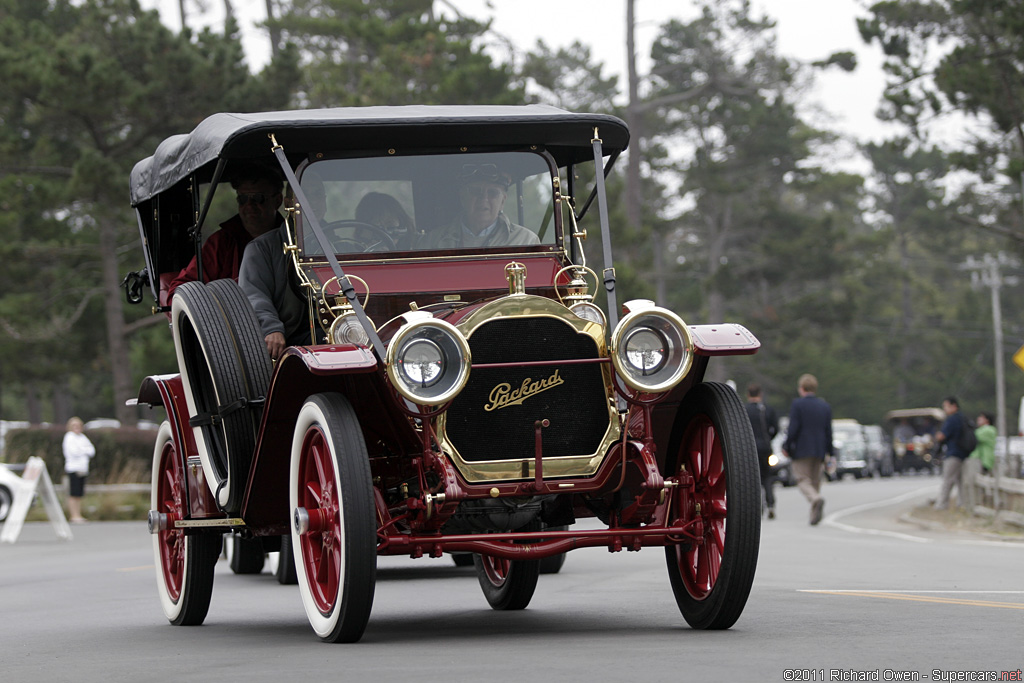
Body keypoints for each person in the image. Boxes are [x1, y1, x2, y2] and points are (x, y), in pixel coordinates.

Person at [166, 163, 285, 301]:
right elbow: (180, 292)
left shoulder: (295, 240)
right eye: (243, 199)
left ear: (278, 201)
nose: (249, 205)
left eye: (258, 198)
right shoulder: (221, 243)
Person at [239, 217, 312, 361]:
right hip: (292, 332)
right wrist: (272, 328)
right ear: (289, 203)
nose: (313, 204)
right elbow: (254, 295)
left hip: (342, 326)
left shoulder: (337, 243)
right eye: (307, 198)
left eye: (318, 196)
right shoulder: (261, 247)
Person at [419, 164, 540, 248]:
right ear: (462, 197)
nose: (484, 199)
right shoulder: (431, 242)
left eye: (492, 193)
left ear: (502, 201)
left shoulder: (526, 241)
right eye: (476, 192)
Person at [782, 374, 833, 526]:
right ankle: (814, 515)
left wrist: (786, 445)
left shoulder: (798, 405)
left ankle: (815, 500)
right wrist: (830, 452)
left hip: (801, 449)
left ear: (801, 388)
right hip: (819, 449)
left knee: (803, 480)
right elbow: (828, 431)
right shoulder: (824, 406)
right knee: (815, 481)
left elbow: (794, 428)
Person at [745, 383, 779, 519]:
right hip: (765, 447)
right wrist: (768, 439)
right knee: (768, 477)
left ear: (748, 395)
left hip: (750, 449)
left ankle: (758, 506)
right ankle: (770, 504)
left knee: (754, 479)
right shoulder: (767, 410)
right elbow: (775, 429)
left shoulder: (744, 410)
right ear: (760, 394)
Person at [934, 396, 970, 510]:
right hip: (963, 453)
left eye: (946, 406)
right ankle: (962, 503)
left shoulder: (952, 419)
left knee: (947, 480)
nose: (944, 409)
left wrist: (937, 437)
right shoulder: (962, 418)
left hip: (953, 453)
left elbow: (942, 436)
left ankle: (942, 504)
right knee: (960, 480)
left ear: (953, 406)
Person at [62, 417, 95, 524]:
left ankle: (78, 514)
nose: (76, 428)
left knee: (79, 494)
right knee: (73, 493)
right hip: (73, 468)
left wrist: (83, 450)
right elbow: (74, 452)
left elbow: (91, 451)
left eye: (78, 426)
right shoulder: (69, 437)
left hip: (82, 468)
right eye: (74, 426)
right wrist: (84, 450)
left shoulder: (82, 437)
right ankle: (73, 515)